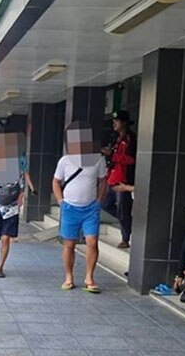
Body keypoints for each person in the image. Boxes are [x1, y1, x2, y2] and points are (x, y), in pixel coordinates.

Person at [53, 123, 107, 293]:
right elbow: (56, 181)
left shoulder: (98, 159)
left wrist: (98, 199)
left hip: (91, 208)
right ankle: (69, 277)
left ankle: (89, 277)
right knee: (69, 244)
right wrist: (61, 201)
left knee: (92, 242)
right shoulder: (65, 160)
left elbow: (103, 180)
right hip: (70, 207)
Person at [101, 110, 136, 248]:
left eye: (117, 121)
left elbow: (132, 159)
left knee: (123, 210)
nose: (114, 123)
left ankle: (125, 238)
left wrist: (112, 155)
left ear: (125, 123)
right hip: (113, 177)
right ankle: (128, 221)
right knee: (105, 204)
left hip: (123, 181)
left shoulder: (130, 139)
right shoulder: (116, 138)